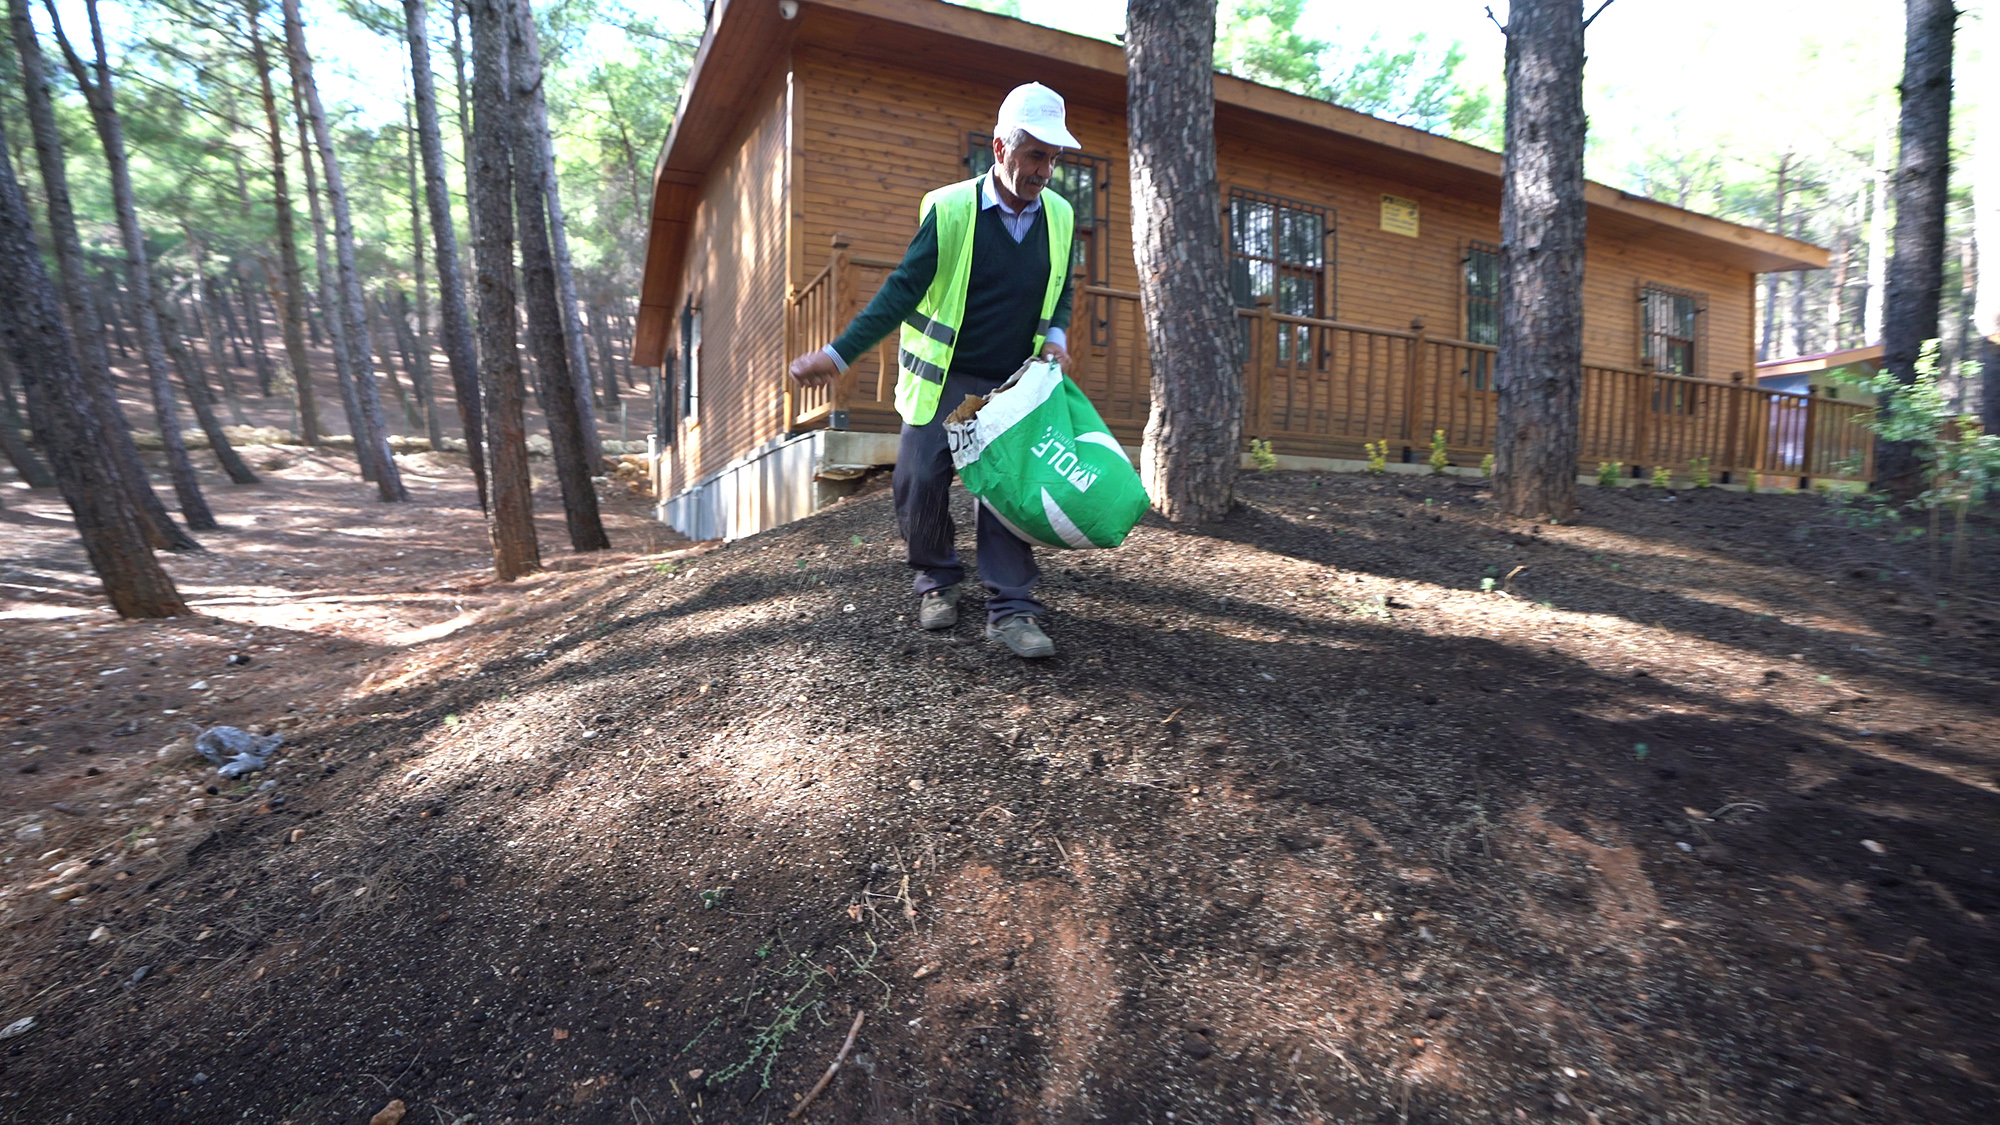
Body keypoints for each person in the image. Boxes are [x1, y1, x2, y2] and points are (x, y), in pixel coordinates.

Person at [788, 82, 1078, 659]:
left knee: (1008, 496)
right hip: (944, 377)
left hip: (1014, 383)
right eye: (1035, 154)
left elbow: (1062, 288)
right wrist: (840, 353)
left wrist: (1056, 335)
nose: (1045, 169)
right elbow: (900, 293)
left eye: (1053, 157)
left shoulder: (1062, 216)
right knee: (919, 482)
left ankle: (1012, 609)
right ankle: (937, 581)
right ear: (1001, 149)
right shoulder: (949, 210)